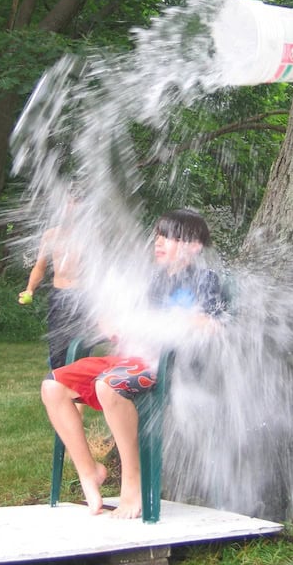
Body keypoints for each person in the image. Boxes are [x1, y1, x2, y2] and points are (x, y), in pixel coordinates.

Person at [40, 208, 226, 519]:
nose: (159, 242)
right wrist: (111, 323)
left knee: (109, 385)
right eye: (158, 236)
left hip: (169, 368)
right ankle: (90, 471)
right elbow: (118, 315)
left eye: (169, 237)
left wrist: (169, 321)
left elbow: (212, 325)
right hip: (132, 361)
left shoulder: (203, 280)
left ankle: (133, 481)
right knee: (53, 387)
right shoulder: (151, 279)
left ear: (193, 247)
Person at [19, 197, 84, 369]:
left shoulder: (91, 235)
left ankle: (77, 380)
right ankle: (58, 377)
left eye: (74, 203)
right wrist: (30, 289)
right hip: (59, 295)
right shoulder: (50, 236)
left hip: (83, 296)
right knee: (57, 347)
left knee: (80, 347)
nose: (69, 208)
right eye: (67, 204)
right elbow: (39, 267)